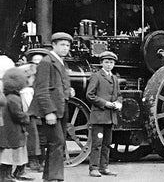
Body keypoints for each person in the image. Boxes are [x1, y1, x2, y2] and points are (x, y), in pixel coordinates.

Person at [29, 32, 75, 182]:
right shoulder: (46, 62)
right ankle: (55, 178)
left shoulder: (61, 62)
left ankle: (49, 177)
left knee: (56, 143)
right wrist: (49, 112)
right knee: (58, 142)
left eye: (67, 45)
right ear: (53, 45)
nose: (65, 48)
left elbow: (60, 85)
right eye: (62, 45)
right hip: (52, 111)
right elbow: (41, 90)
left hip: (61, 109)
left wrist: (68, 91)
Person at [86, 51, 122, 177]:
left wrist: (119, 103)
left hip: (110, 116)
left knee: (107, 143)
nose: (109, 65)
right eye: (106, 62)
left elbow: (119, 95)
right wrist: (105, 103)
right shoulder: (96, 76)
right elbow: (90, 95)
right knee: (97, 143)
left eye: (111, 63)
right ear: (101, 63)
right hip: (99, 116)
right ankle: (93, 168)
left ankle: (104, 167)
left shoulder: (115, 78)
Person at [0, 67, 31, 182]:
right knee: (9, 155)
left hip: (9, 130)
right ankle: (6, 176)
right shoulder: (13, 98)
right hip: (13, 131)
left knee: (8, 154)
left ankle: (8, 175)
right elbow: (18, 114)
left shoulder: (8, 97)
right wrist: (27, 117)